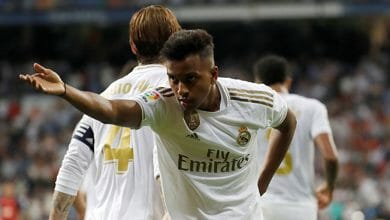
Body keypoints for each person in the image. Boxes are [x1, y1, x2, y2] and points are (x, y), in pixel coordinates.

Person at [20, 29, 296, 219]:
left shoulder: (253, 99)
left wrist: (264, 180)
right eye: (173, 79)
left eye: (189, 79)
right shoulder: (163, 103)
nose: (180, 89)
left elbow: (287, 123)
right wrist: (67, 90)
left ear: (213, 74)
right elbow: (113, 110)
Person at [45, 5, 181, 220]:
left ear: (133, 47)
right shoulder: (178, 93)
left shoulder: (101, 99)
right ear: (175, 41)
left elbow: (70, 170)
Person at [253, 55, 339, 220]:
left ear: (257, 83)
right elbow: (330, 156)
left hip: (260, 203)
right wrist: (329, 186)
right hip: (300, 208)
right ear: (288, 81)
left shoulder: (251, 108)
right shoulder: (313, 108)